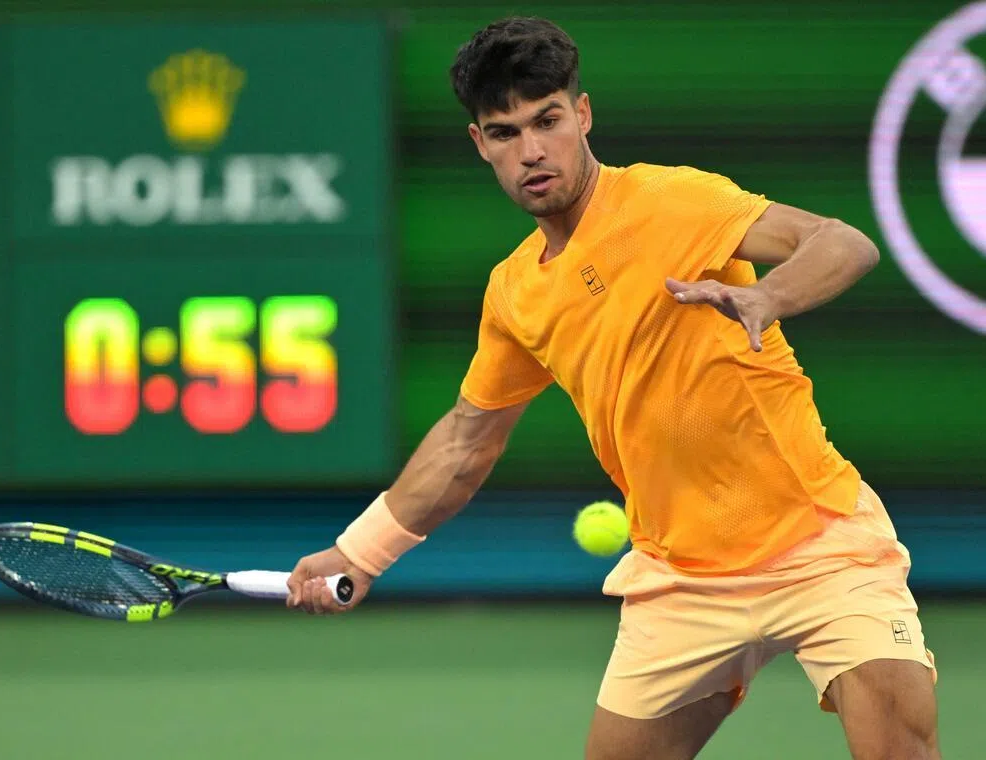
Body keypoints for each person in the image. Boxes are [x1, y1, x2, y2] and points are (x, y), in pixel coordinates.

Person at [287, 16, 939, 760]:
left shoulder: (673, 203)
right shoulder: (514, 294)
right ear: (479, 145)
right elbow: (468, 441)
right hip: (680, 581)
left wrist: (771, 297)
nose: (531, 151)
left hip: (821, 545)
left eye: (548, 121)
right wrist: (359, 552)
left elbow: (841, 242)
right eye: (504, 133)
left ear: (583, 114)